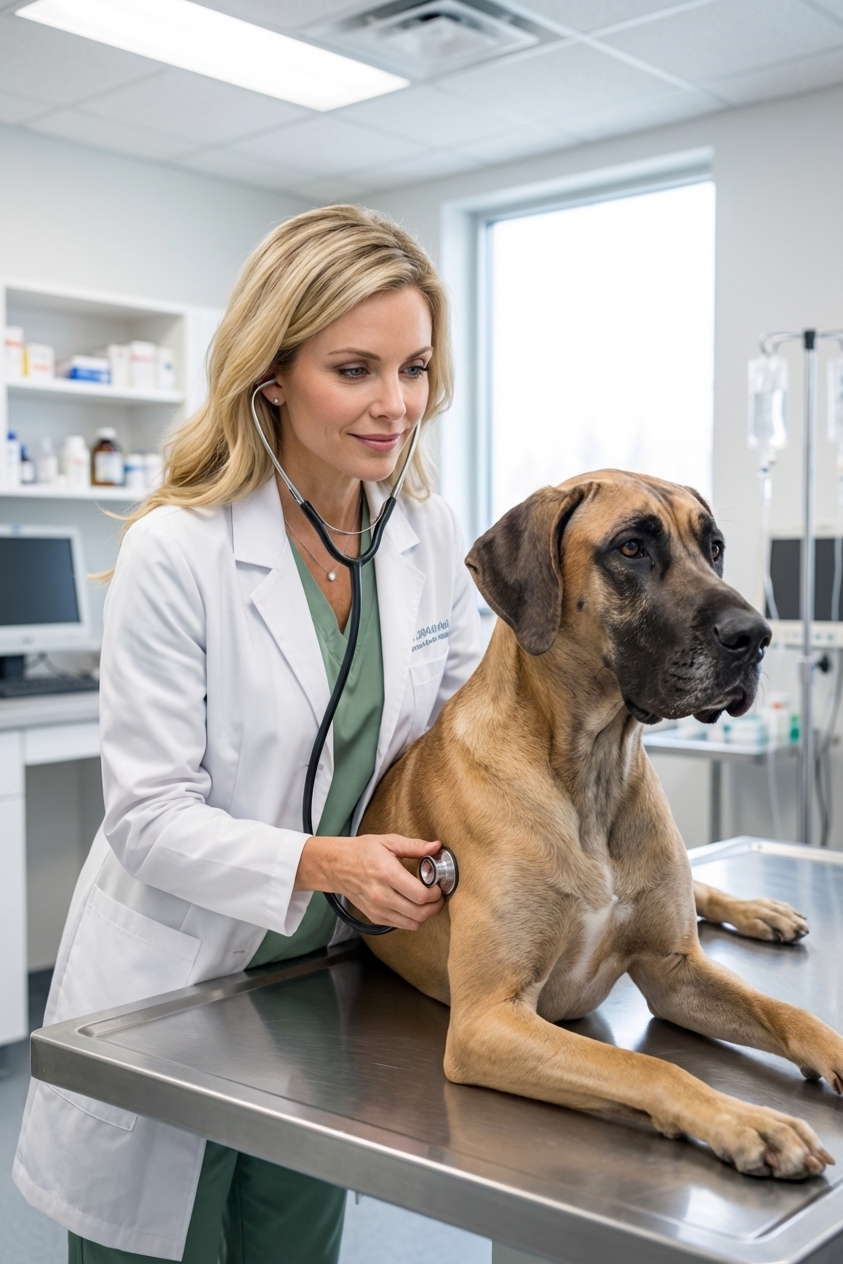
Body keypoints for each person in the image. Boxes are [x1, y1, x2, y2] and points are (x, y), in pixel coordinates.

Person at [14, 205, 482, 1263]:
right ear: (271, 371)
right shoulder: (177, 549)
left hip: (317, 1001)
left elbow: (462, 728)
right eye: (354, 368)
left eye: (413, 368)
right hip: (173, 991)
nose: (395, 405)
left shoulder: (425, 531)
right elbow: (147, 819)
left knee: (293, 1244)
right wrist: (331, 863)